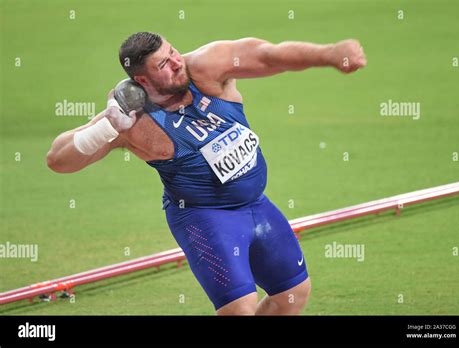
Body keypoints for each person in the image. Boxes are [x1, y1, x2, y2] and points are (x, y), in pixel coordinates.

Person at [46, 32, 366, 315]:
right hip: (203, 216)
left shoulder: (207, 67)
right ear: (142, 81)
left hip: (255, 204)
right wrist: (105, 129)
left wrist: (330, 53)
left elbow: (270, 55)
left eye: (173, 52)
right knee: (239, 309)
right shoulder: (132, 121)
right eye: (164, 65)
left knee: (293, 295)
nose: (176, 63)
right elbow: (58, 160)